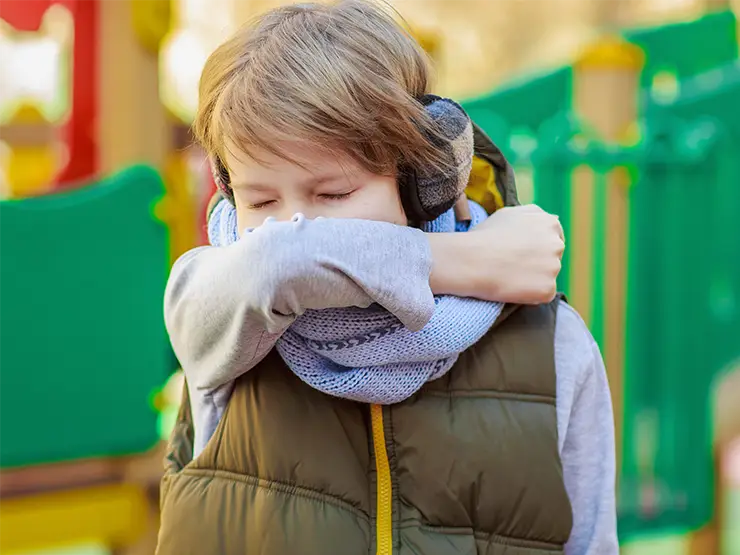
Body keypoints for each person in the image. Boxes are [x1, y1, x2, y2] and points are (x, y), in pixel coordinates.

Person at [157, 2, 617, 554]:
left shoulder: (553, 345)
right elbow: (276, 263)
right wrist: (462, 260)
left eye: (332, 194)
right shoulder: (223, 312)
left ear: (424, 181)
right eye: (260, 201)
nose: (293, 225)